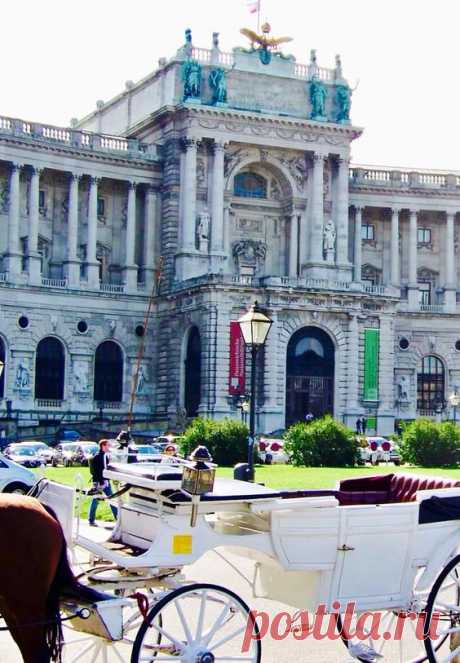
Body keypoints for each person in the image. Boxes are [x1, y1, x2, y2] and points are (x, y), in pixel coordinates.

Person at [88, 439, 118, 526]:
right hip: (99, 482)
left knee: (111, 500)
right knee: (96, 500)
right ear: (103, 446)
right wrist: (101, 483)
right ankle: (91, 520)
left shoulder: (105, 456)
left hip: (105, 481)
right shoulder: (98, 457)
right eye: (108, 445)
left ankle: (118, 519)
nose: (109, 446)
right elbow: (97, 472)